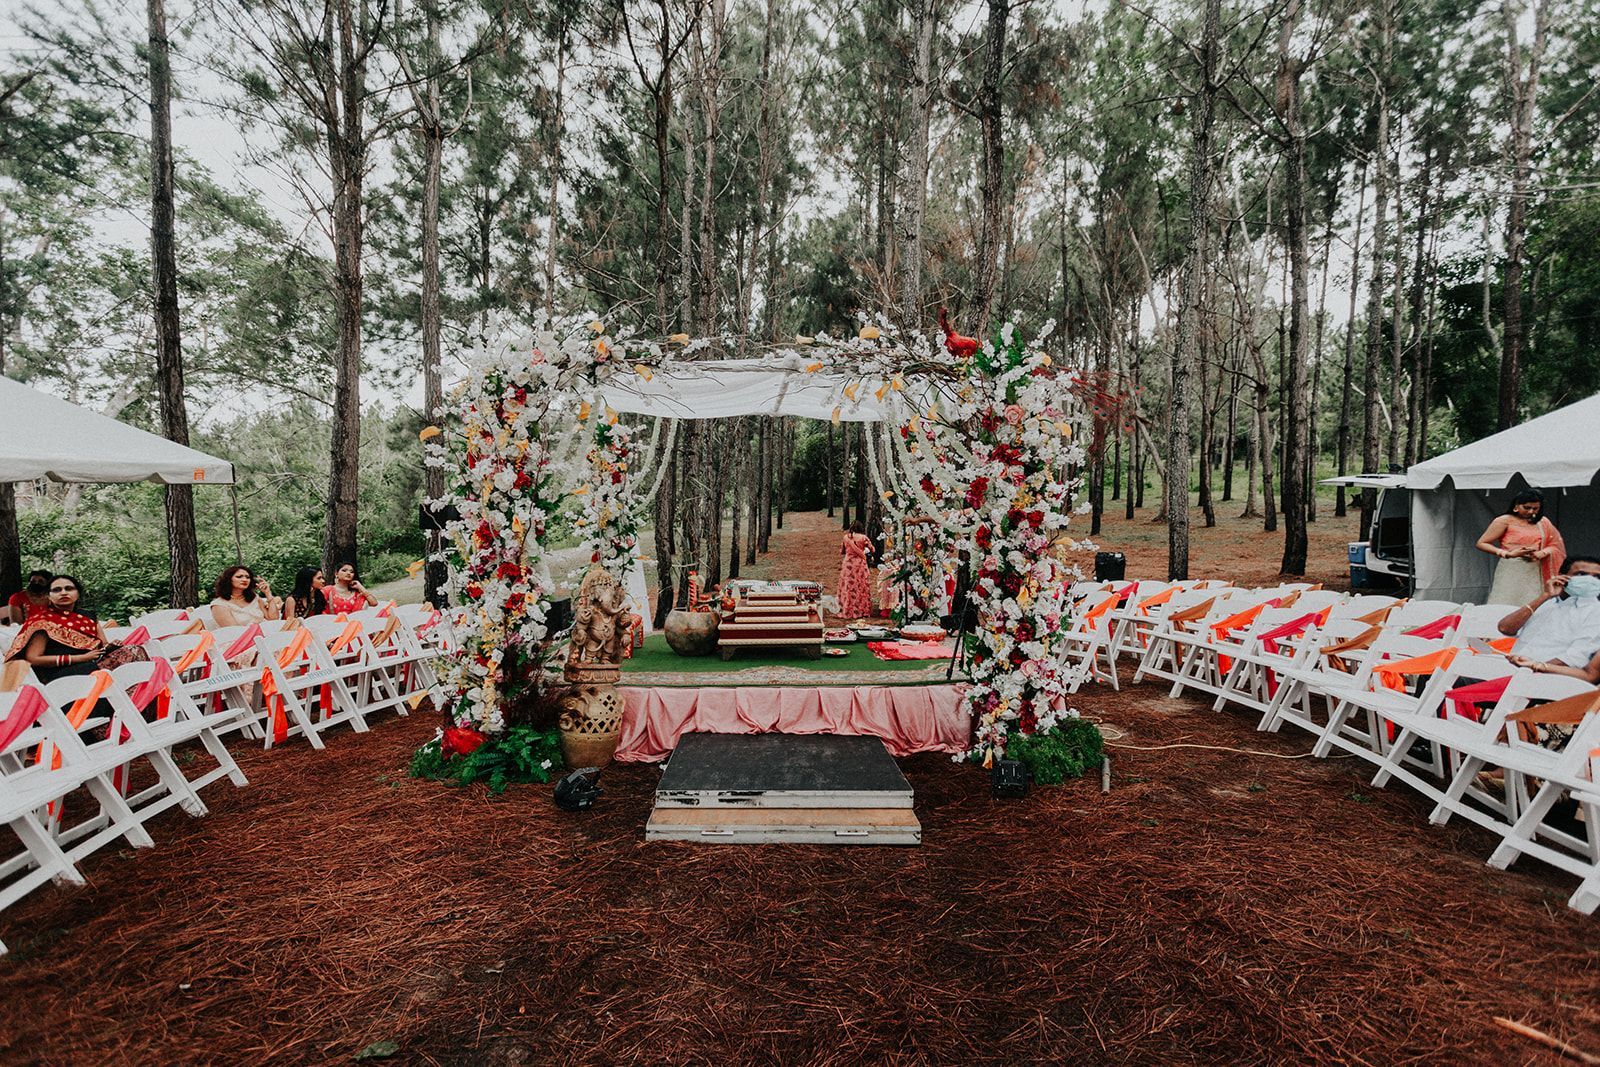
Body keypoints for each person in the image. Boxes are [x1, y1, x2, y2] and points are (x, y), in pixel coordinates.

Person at [1497, 556, 1600, 683]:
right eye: (1581, 574)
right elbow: (1505, 628)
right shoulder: (1548, 603)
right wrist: (1545, 596)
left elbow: (1574, 659)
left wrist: (1532, 667)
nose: (1589, 580)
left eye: (1596, 577)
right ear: (1562, 576)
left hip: (1542, 679)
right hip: (1509, 670)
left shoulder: (1595, 612)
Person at [6, 575, 119, 684]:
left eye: (69, 588)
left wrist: (111, 647)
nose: (63, 593)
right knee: (125, 662)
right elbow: (33, 658)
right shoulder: (43, 621)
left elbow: (103, 644)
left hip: (93, 665)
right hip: (61, 674)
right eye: (57, 590)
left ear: (78, 594)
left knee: (131, 651)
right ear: (48, 596)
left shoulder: (88, 616)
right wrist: (80, 658)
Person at [1478, 489, 1566, 605]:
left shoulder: (1542, 522)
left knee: (1532, 601)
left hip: (1534, 568)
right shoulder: (1504, 521)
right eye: (1527, 507)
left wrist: (1542, 553)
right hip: (1512, 567)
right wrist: (1507, 554)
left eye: (1535, 508)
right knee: (1505, 599)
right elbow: (1482, 543)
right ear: (1516, 506)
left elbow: (1555, 545)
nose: (1531, 511)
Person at [210, 565, 282, 628]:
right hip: (239, 640)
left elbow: (273, 619)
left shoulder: (255, 598)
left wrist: (268, 594)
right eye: (239, 577)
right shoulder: (219, 604)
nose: (245, 580)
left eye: (247, 577)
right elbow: (233, 631)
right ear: (228, 580)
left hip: (264, 635)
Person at [837, 521, 875, 620]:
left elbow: (841, 551)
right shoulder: (864, 538)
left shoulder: (846, 537)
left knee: (848, 587)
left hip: (848, 564)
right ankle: (861, 610)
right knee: (860, 587)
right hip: (859, 564)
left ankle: (847, 609)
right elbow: (872, 550)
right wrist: (864, 550)